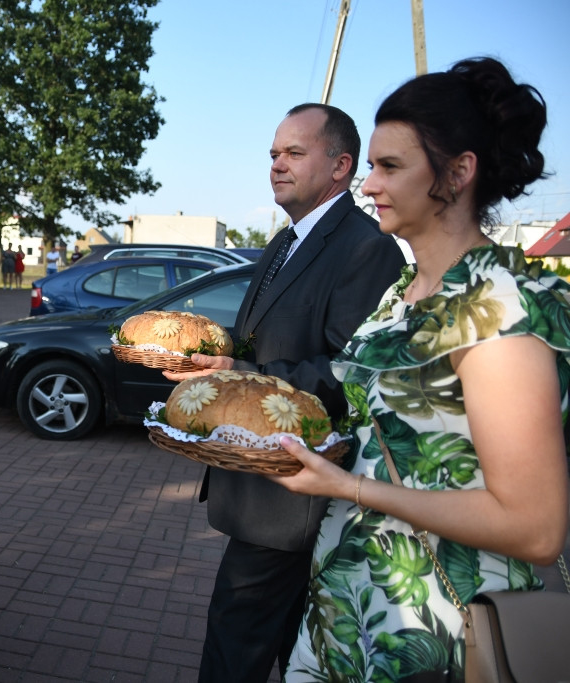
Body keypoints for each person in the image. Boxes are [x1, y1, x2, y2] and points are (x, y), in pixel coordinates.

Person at [267, 58, 568, 681]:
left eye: (390, 167)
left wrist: (346, 487)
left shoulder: (497, 305)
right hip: (350, 613)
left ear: (459, 172)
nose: (369, 184)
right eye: (371, 164)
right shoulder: (404, 292)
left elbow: (536, 528)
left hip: (436, 632)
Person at [165, 104, 406, 682]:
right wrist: (219, 361)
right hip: (261, 485)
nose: (277, 165)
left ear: (340, 166)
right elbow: (261, 342)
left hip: (294, 492)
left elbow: (351, 369)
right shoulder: (282, 243)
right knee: (292, 644)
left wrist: (245, 376)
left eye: (294, 153)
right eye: (273, 154)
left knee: (235, 636)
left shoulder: (365, 247)